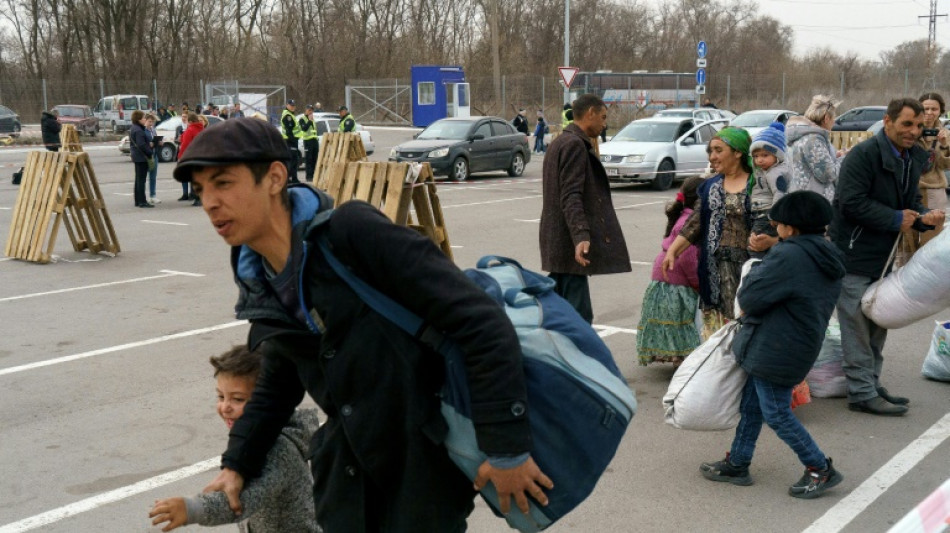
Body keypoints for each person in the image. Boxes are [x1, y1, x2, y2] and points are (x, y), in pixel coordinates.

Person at [172, 117, 552, 531]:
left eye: (223, 183)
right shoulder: (258, 273)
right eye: (200, 189)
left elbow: (481, 321)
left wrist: (507, 449)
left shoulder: (349, 233)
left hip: (418, 470)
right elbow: (279, 379)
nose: (209, 202)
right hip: (347, 475)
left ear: (275, 177)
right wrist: (237, 464)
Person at [700, 190, 845, 500]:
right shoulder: (825, 252)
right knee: (752, 406)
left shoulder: (788, 255)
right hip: (796, 342)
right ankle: (738, 463)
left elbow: (750, 298)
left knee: (776, 412)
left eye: (778, 225)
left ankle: (820, 467)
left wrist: (762, 262)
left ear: (791, 228)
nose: (775, 229)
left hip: (776, 345)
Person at [829, 97, 945, 416]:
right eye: (907, 124)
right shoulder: (863, 155)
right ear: (889, 122)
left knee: (878, 320)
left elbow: (909, 202)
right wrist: (896, 218)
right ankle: (861, 392)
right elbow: (849, 202)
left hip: (883, 255)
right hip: (852, 253)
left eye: (919, 125)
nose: (914, 131)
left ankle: (872, 385)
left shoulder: (912, 156)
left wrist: (924, 216)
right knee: (856, 327)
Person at [148, 345, 319, 532]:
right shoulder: (255, 441)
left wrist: (191, 509)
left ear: (268, 402)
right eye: (221, 396)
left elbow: (242, 500)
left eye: (238, 399)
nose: (225, 407)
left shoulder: (279, 449)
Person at [540, 94, 631, 323]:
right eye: (602, 117)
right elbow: (570, 194)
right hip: (568, 246)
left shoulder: (561, 141)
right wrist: (581, 235)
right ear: (590, 113)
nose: (604, 124)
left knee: (559, 316)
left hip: (558, 243)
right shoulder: (574, 145)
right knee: (578, 320)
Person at [662, 127, 755, 338]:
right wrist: (672, 252)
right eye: (710, 151)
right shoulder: (710, 186)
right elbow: (695, 224)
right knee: (716, 333)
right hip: (713, 272)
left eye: (718, 150)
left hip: (748, 270)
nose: (712, 157)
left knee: (745, 325)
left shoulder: (757, 184)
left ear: (738, 152)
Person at [636, 176, 703, 367]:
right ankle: (679, 358)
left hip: (664, 277)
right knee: (680, 319)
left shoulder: (682, 217)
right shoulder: (689, 223)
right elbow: (687, 258)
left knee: (669, 320)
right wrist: (697, 283)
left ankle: (674, 356)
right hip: (676, 281)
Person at [899, 92, 950, 259]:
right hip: (909, 188)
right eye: (925, 108)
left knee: (932, 240)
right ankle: (906, 275)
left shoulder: (944, 133)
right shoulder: (909, 129)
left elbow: (946, 165)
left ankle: (927, 276)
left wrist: (943, 145)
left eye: (934, 109)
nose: (929, 112)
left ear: (941, 111)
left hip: (934, 190)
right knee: (908, 239)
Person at [747, 122, 791, 257]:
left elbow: (780, 193)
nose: (760, 160)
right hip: (761, 212)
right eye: (756, 156)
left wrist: (774, 214)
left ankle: (758, 266)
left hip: (766, 214)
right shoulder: (765, 171)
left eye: (765, 155)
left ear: (777, 156)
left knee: (755, 245)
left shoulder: (775, 173)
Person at [787, 94, 842, 202]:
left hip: (806, 199)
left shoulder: (807, 136)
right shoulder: (813, 140)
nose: (834, 122)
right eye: (833, 118)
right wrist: (844, 159)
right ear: (826, 118)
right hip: (813, 204)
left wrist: (835, 156)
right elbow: (828, 174)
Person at [177, 113, 204, 205]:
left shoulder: (190, 130)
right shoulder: (201, 129)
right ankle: (200, 197)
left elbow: (185, 145)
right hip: (200, 156)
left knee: (193, 178)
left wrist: (181, 157)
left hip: (191, 156)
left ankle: (197, 198)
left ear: (191, 121)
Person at [129, 110, 153, 208]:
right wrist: (150, 151)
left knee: (138, 179)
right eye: (143, 118)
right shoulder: (139, 130)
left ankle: (138, 200)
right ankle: (142, 201)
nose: (145, 119)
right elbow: (141, 144)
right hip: (141, 157)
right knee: (141, 180)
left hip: (137, 156)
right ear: (138, 119)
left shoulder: (134, 128)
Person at [281, 100, 301, 183]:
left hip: (292, 140)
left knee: (294, 160)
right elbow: (289, 130)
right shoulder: (287, 116)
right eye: (291, 105)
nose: (293, 107)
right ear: (287, 105)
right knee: (292, 161)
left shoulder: (291, 115)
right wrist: (293, 140)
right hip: (290, 141)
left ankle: (293, 178)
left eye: (293, 106)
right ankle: (289, 178)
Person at [299, 104, 319, 182]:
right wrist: (310, 121)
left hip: (314, 140)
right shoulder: (302, 119)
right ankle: (309, 176)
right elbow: (304, 129)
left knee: (315, 158)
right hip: (307, 141)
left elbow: (314, 130)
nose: (311, 112)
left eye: (312, 110)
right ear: (306, 110)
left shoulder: (313, 119)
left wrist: (311, 120)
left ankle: (314, 175)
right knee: (308, 159)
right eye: (309, 110)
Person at [145, 113, 161, 205]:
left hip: (154, 154)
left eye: (152, 122)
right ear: (145, 121)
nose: (151, 123)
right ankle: (143, 196)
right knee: (144, 177)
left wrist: (159, 142)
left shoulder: (153, 130)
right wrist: (149, 144)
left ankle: (152, 195)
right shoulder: (144, 131)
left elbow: (156, 139)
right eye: (149, 121)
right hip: (147, 155)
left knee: (153, 176)